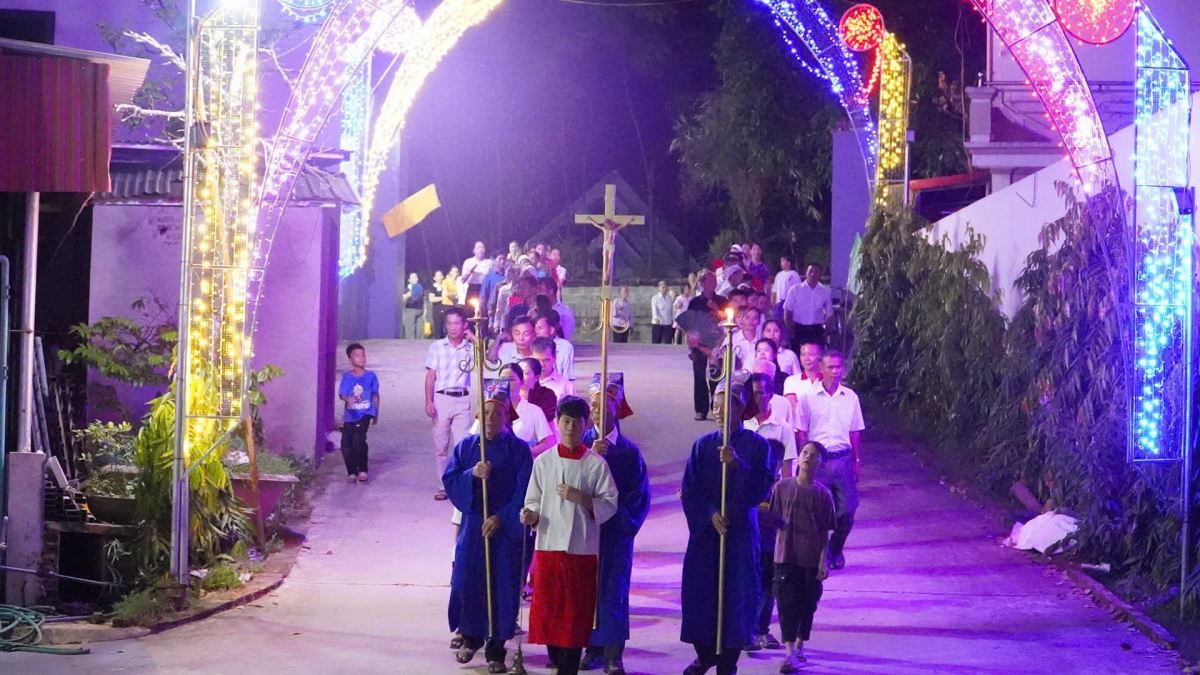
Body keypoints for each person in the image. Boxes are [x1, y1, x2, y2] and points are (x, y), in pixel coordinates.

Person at [681, 377, 773, 675]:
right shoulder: (702, 445)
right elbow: (691, 489)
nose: (719, 412)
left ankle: (728, 659)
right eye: (715, 406)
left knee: (736, 594)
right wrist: (709, 514)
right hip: (707, 533)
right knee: (702, 593)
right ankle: (705, 653)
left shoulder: (758, 446)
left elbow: (761, 489)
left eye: (726, 406)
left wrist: (737, 464)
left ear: (741, 409)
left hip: (739, 533)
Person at [521, 397, 619, 675]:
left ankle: (569, 668)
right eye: (566, 421)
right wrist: (530, 514)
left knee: (574, 619)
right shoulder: (544, 462)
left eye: (577, 423)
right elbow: (533, 499)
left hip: (581, 550)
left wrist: (583, 498)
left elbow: (610, 504)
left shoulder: (596, 465)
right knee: (551, 616)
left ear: (586, 425)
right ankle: (558, 659)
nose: (571, 428)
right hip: (549, 546)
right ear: (557, 423)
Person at [444, 389, 533, 674]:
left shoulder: (519, 450)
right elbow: (450, 478)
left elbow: (525, 489)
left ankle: (496, 648)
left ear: (507, 417)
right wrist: (471, 474)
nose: (491, 418)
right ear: (478, 416)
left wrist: (501, 518)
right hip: (474, 525)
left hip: (505, 529)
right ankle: (471, 637)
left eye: (497, 413)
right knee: (468, 580)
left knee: (502, 586)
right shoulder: (467, 447)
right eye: (486, 412)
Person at [581, 376, 650, 675]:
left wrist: (618, 520)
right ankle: (590, 647)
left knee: (613, 589)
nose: (597, 411)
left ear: (616, 407)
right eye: (593, 405)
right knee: (586, 589)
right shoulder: (580, 444)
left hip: (615, 532)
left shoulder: (629, 452)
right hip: (584, 531)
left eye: (603, 405)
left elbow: (638, 496)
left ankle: (612, 652)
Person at [766, 441, 835, 671]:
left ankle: (799, 645)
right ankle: (789, 653)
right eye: (805, 452)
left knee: (807, 605)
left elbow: (824, 531)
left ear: (821, 462)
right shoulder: (782, 487)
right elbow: (773, 519)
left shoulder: (823, 495)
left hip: (810, 559)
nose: (807, 457)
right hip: (785, 556)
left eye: (813, 455)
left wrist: (823, 560)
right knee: (786, 604)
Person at [796, 351, 864, 570]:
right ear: (821, 369)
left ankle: (836, 547)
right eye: (831, 367)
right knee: (818, 512)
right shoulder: (808, 397)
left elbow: (855, 431)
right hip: (818, 460)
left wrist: (856, 461)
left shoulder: (850, 397)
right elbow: (802, 431)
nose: (835, 371)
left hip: (842, 459)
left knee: (848, 509)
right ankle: (822, 555)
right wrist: (804, 461)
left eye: (838, 367)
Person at [743, 372, 793, 651]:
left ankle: (761, 628)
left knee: (770, 572)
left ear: (771, 394)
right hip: (747, 507)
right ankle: (747, 629)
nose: (757, 398)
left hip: (770, 509)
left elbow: (787, 469)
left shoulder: (782, 428)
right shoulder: (741, 425)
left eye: (762, 392)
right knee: (749, 571)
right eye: (753, 393)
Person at [425, 306, 475, 501]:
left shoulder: (470, 347)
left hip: (462, 398)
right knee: (441, 446)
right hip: (442, 398)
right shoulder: (437, 347)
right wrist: (429, 400)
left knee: (462, 445)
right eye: (449, 323)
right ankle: (444, 486)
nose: (453, 327)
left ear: (464, 325)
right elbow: (430, 375)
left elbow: (487, 361)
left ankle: (460, 485)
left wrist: (475, 340)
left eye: (457, 323)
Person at [686, 271, 727, 421]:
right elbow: (689, 323)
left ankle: (715, 407)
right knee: (699, 376)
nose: (713, 283)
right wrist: (691, 345)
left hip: (717, 343)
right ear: (702, 284)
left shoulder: (722, 300)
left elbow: (728, 319)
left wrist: (715, 308)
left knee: (716, 376)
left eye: (714, 281)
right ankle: (700, 409)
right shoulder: (695, 302)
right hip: (699, 343)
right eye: (710, 281)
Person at [338, 342, 379, 483]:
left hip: (365, 413)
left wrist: (375, 414)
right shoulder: (347, 377)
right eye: (357, 356)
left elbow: (375, 395)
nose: (361, 358)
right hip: (350, 415)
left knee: (359, 441)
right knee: (346, 444)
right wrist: (347, 399)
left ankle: (362, 470)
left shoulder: (371, 376)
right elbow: (342, 394)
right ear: (350, 360)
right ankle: (352, 472)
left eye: (363, 355)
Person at [782, 263, 832, 352]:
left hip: (816, 330)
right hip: (799, 329)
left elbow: (830, 314)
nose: (813, 274)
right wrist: (790, 330)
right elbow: (787, 312)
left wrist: (826, 331)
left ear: (820, 274)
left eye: (816, 272)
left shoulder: (824, 291)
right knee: (798, 355)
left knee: (816, 356)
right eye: (810, 271)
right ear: (806, 272)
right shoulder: (795, 290)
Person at [534, 310, 575, 382]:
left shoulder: (565, 347)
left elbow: (567, 375)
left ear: (551, 330)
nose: (536, 332)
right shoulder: (532, 345)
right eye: (535, 328)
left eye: (540, 328)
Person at [783, 342, 823, 414]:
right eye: (803, 354)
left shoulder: (827, 380)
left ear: (820, 357)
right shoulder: (791, 381)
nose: (806, 358)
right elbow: (793, 408)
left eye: (811, 354)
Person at [532, 337, 576, 401]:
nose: (542, 365)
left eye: (546, 360)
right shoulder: (523, 384)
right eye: (537, 360)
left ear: (555, 357)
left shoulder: (566, 387)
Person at [539, 277, 576, 342]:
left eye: (541, 290)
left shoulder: (565, 311)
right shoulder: (536, 310)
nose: (538, 293)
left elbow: (567, 335)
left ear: (551, 291)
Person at [460, 241, 492, 305]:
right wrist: (470, 272)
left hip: (485, 288)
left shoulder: (489, 262)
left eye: (482, 247)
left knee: (484, 309)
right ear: (473, 250)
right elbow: (462, 280)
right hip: (473, 289)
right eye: (478, 248)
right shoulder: (468, 261)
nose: (480, 249)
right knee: (470, 309)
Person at [401, 273, 425, 340]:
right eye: (412, 277)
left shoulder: (420, 287)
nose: (414, 279)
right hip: (410, 310)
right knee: (410, 331)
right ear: (409, 280)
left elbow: (422, 299)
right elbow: (401, 300)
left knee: (420, 331)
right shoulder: (406, 288)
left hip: (420, 310)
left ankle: (419, 345)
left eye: (415, 277)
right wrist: (407, 296)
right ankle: (410, 345)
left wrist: (425, 311)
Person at [650, 280, 674, 345]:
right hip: (658, 324)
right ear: (659, 288)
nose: (664, 289)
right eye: (663, 287)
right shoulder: (655, 298)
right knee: (656, 343)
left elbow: (671, 310)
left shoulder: (669, 298)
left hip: (667, 324)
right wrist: (656, 318)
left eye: (666, 287)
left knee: (668, 343)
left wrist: (672, 319)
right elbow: (654, 311)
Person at [429, 270, 447, 339]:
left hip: (446, 309)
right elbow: (431, 299)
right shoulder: (432, 287)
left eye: (441, 275)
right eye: (438, 275)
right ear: (434, 278)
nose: (440, 277)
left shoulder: (446, 285)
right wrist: (443, 298)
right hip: (437, 309)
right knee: (438, 328)